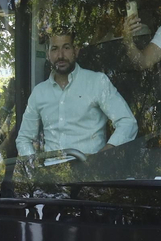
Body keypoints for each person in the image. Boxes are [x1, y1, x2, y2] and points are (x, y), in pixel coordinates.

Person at [17, 30, 137, 158]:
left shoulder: (97, 82)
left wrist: (104, 155)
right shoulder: (39, 92)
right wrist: (35, 166)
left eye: (66, 48)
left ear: (76, 50)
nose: (60, 55)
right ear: (48, 54)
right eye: (55, 49)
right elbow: (24, 138)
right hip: (51, 174)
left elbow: (127, 122)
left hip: (91, 173)